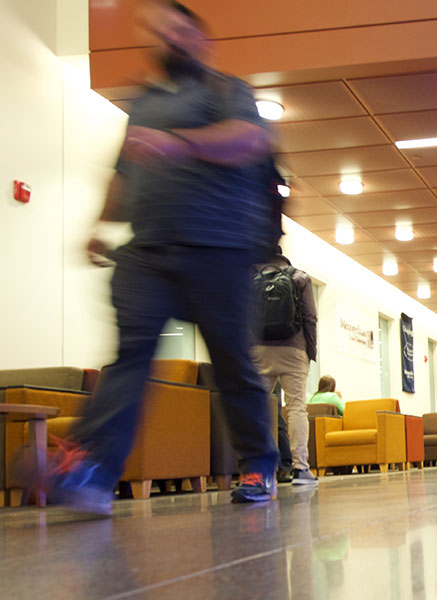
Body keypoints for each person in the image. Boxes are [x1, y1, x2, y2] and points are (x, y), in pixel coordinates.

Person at [46, 1, 279, 515]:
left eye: (176, 29)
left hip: (220, 250)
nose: (166, 38)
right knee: (130, 356)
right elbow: (125, 173)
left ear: (200, 38)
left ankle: (259, 464)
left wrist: (178, 145)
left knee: (232, 363)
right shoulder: (142, 102)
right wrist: (98, 226)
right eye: (155, 31)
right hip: (149, 252)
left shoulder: (227, 90)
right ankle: (92, 471)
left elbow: (248, 139)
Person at [253, 247, 318, 485]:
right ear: (283, 257)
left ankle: (257, 470)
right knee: (296, 408)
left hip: (259, 349)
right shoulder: (299, 277)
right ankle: (300, 469)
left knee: (257, 407)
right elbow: (310, 318)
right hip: (294, 349)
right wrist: (310, 351)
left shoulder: (251, 278)